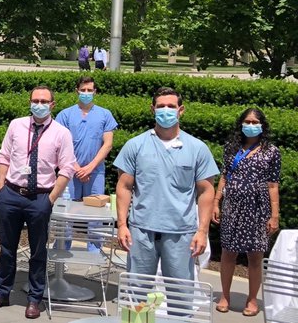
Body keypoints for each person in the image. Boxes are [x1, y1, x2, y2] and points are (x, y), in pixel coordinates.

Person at [0, 87, 76, 319]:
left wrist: (51, 199)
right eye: (35, 100)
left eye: (44, 101)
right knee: (6, 248)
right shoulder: (16, 125)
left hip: (40, 197)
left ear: (52, 104)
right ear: (29, 102)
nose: (39, 104)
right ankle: (2, 292)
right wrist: (1, 188)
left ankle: (35, 298)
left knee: (38, 251)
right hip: (12, 195)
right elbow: (3, 156)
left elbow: (67, 168)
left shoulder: (61, 133)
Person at [114, 87, 219, 282]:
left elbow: (206, 191)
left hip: (181, 233)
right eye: (160, 106)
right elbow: (124, 187)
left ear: (181, 110)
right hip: (142, 232)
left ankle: (179, 314)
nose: (166, 110)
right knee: (137, 296)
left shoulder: (197, 148)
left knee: (180, 295)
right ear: (152, 109)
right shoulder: (135, 146)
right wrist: (122, 225)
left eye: (171, 106)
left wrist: (202, 231)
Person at [214, 108, 281, 316]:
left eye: (255, 122)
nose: (251, 125)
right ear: (240, 124)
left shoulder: (271, 151)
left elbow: (273, 185)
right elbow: (224, 176)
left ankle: (252, 300)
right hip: (232, 207)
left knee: (254, 255)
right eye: (247, 121)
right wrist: (216, 202)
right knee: (228, 253)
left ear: (262, 125)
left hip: (258, 209)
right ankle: (225, 295)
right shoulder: (231, 148)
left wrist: (274, 215)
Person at [56, 76, 117, 202]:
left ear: (95, 92)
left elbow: (108, 144)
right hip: (70, 171)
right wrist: (77, 169)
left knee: (94, 212)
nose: (86, 93)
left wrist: (90, 167)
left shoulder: (105, 114)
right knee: (68, 211)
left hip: (95, 172)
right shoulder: (65, 115)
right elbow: (61, 145)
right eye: (83, 90)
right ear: (76, 91)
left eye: (89, 90)